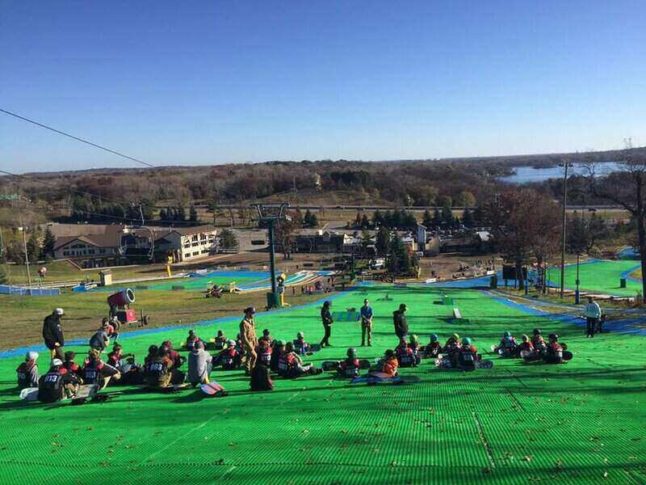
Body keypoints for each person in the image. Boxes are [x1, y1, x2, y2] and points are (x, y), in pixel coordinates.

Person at [240, 307, 258, 375]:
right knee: (254, 356)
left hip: (252, 340)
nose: (253, 315)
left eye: (254, 313)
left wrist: (256, 339)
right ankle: (252, 370)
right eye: (252, 313)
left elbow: (253, 331)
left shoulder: (251, 321)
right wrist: (248, 344)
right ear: (248, 313)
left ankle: (247, 370)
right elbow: (243, 336)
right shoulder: (243, 323)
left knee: (249, 356)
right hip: (247, 341)